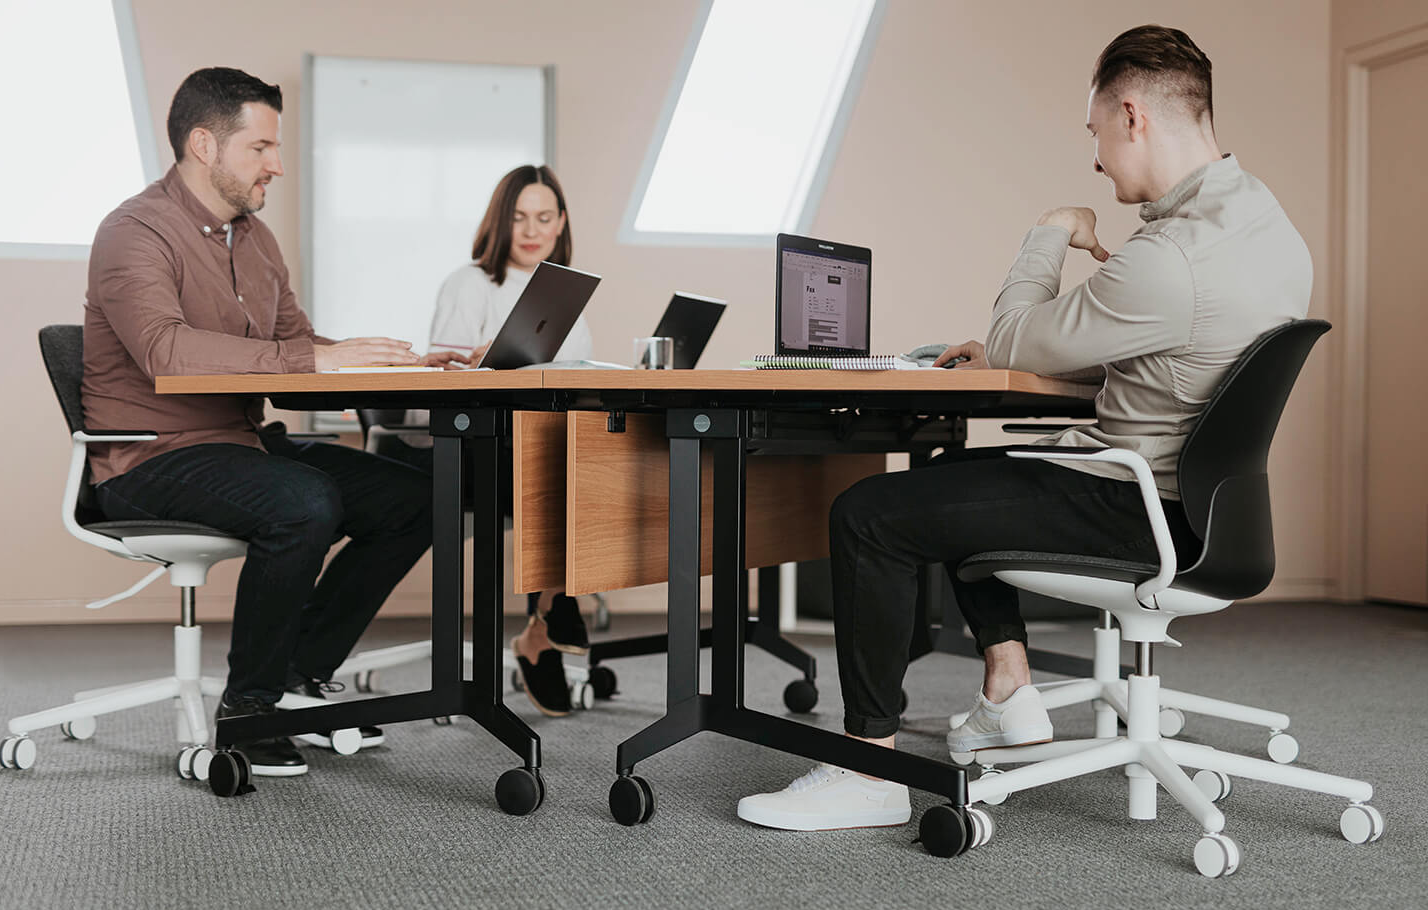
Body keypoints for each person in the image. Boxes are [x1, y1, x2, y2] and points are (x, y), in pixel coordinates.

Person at [737, 24, 1313, 831]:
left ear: (1131, 114)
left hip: (1137, 509)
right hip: (1203, 507)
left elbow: (1011, 336)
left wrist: (1051, 231)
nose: (1097, 158)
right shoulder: (1265, 224)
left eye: (1096, 134)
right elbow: (1180, 349)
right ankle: (1007, 683)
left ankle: (866, 769)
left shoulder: (1169, 256)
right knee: (962, 486)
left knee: (869, 514)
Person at [82, 68, 435, 777]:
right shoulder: (134, 231)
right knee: (303, 500)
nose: (277, 163)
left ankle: (300, 677)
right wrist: (317, 357)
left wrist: (392, 363)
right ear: (204, 144)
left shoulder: (256, 239)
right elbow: (165, 350)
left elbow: (298, 357)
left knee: (414, 498)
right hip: (148, 459)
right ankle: (249, 712)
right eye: (261, 147)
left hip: (240, 444)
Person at [380, 164, 594, 718]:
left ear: (561, 222)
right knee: (552, 466)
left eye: (544, 217)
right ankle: (554, 613)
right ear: (500, 222)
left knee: (591, 458)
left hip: (536, 445)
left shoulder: (563, 291)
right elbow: (441, 377)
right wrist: (481, 365)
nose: (531, 229)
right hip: (469, 449)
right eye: (520, 217)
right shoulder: (470, 283)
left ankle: (546, 618)